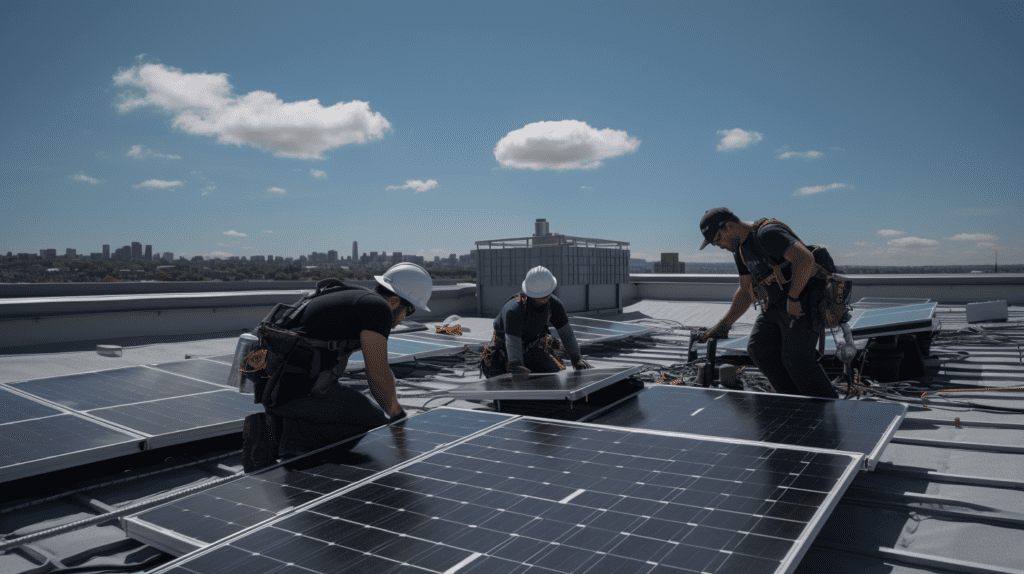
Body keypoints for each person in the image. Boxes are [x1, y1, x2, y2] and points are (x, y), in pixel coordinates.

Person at [242, 262, 433, 472]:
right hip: (296, 393)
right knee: (373, 419)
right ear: (395, 301)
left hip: (277, 388)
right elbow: (377, 373)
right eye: (409, 311)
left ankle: (287, 435)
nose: (404, 319)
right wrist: (397, 414)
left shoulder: (354, 297)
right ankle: (274, 433)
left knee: (358, 411)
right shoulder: (378, 308)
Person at [697, 207, 838, 399]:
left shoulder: (767, 233)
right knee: (759, 349)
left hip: (803, 302)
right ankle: (791, 400)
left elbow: (805, 258)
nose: (718, 245)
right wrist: (724, 325)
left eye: (717, 239)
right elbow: (745, 290)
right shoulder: (740, 251)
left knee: (796, 359)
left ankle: (827, 406)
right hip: (777, 303)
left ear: (729, 226)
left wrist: (794, 298)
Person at [481, 266, 590, 378]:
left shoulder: (553, 304)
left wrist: (576, 358)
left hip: (532, 349)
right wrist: (517, 366)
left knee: (552, 374)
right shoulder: (514, 309)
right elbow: (512, 343)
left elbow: (566, 333)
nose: (544, 299)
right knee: (505, 385)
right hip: (504, 353)